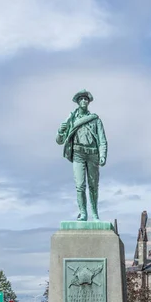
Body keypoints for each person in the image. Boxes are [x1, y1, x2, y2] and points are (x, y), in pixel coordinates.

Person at [56, 90, 107, 221]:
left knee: (93, 185)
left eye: (86, 99)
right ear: (78, 102)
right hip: (78, 153)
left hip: (92, 154)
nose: (84, 101)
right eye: (82, 99)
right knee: (80, 185)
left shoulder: (95, 120)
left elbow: (102, 140)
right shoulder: (72, 119)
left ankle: (95, 213)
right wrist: (60, 131)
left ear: (88, 102)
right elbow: (60, 141)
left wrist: (103, 155)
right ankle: (83, 213)